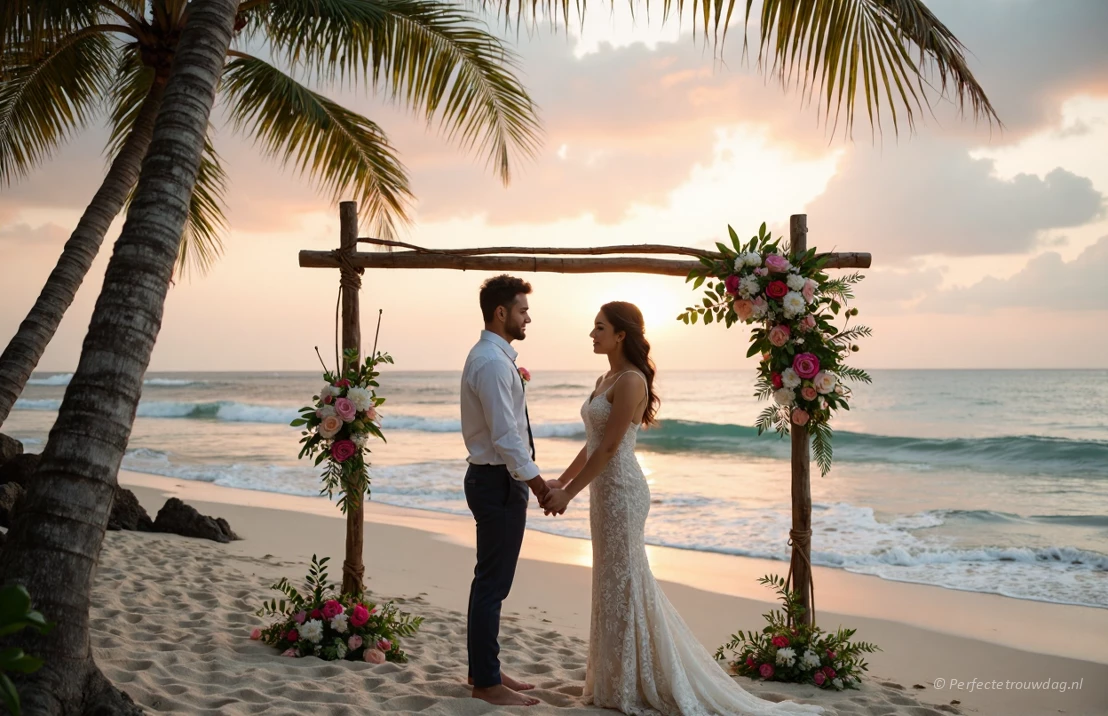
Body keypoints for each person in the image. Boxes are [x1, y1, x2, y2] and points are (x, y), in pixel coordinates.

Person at [542, 301, 823, 716]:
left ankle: (637, 682)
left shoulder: (632, 380)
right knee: (609, 582)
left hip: (622, 491)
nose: (592, 334)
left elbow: (609, 447)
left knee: (626, 581)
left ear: (621, 334)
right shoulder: (604, 377)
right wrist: (560, 482)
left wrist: (569, 494)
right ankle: (614, 680)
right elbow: (590, 444)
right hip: (602, 493)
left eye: (599, 327)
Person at [460, 274, 552, 707]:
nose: (527, 318)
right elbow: (506, 437)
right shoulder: (494, 363)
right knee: (493, 584)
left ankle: (485, 671)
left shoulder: (492, 357)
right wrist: (538, 484)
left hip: (496, 480)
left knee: (490, 582)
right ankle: (486, 683)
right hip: (498, 482)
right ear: (501, 313)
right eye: (522, 310)